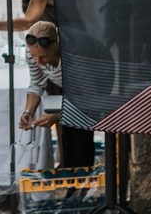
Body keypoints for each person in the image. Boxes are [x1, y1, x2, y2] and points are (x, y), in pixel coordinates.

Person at [18, 20, 95, 168]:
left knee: (79, 132)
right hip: (65, 84)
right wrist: (29, 112)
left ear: (56, 46)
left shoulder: (74, 55)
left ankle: (83, 177)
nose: (38, 62)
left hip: (93, 85)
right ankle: (68, 170)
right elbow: (37, 83)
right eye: (34, 56)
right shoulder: (32, 50)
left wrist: (58, 114)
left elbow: (86, 98)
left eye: (43, 57)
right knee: (66, 133)